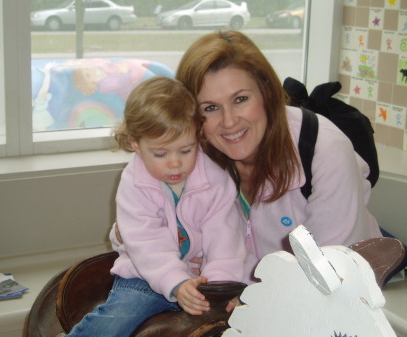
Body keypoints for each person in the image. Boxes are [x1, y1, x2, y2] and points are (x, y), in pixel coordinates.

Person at [175, 30, 382, 287]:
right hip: (241, 293)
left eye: (240, 99)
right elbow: (138, 225)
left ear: (268, 93)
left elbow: (332, 272)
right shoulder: (192, 154)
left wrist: (251, 295)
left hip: (336, 293)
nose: (228, 122)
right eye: (210, 108)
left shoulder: (324, 150)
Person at [66, 76, 246, 337]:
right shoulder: (133, 183)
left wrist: (218, 289)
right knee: (114, 324)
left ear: (197, 136)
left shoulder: (216, 181)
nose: (175, 163)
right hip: (143, 278)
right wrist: (176, 282)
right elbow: (146, 242)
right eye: (161, 154)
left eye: (186, 150)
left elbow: (226, 240)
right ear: (136, 145)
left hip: (201, 280)